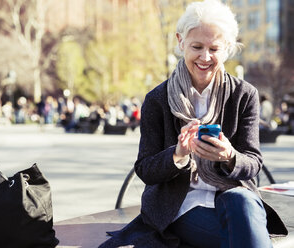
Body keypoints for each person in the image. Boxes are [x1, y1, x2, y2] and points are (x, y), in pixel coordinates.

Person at [99, 0, 287, 247]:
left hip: (233, 197)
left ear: (228, 48)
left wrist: (230, 155)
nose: (205, 57)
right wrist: (178, 154)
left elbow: (253, 162)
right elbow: (145, 169)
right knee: (242, 239)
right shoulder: (157, 100)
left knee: (241, 203)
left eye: (215, 48)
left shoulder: (244, 95)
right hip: (181, 205)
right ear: (180, 42)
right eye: (196, 46)